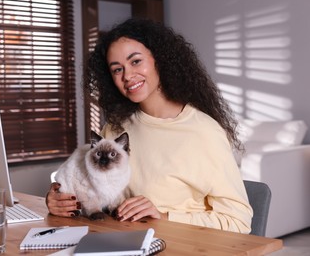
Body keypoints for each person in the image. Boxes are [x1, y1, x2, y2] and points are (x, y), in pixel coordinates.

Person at [46, 18, 253, 233]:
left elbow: (238, 222)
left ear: (160, 59)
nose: (127, 76)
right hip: (120, 241)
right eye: (117, 70)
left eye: (135, 61)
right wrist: (60, 200)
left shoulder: (204, 133)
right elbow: (90, 187)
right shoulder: (117, 127)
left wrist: (163, 216)